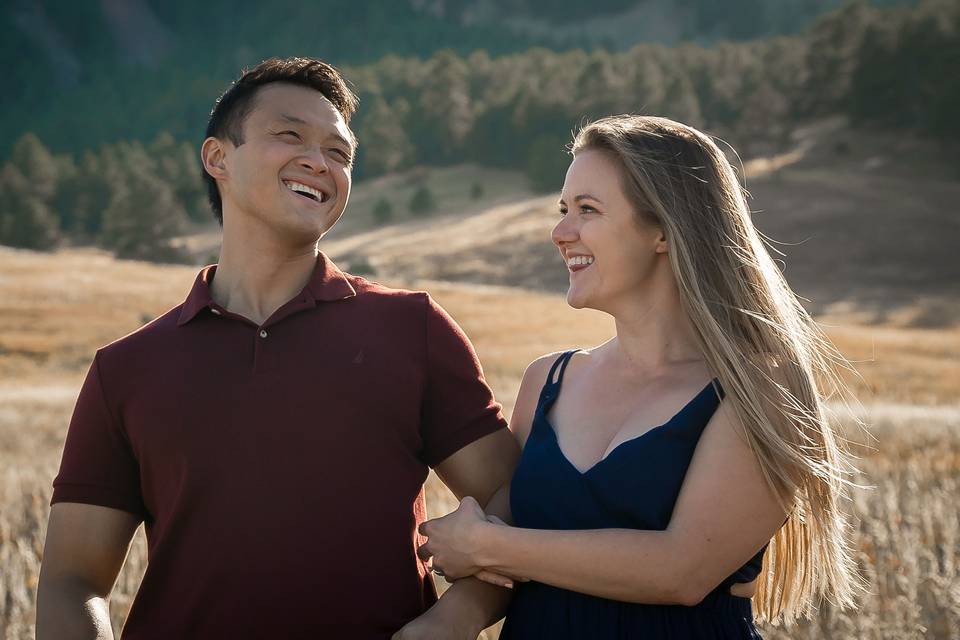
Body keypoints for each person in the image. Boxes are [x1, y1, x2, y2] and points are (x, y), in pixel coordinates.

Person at [36, 57, 519, 639]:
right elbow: (72, 581)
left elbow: (513, 501)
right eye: (289, 135)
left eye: (339, 153)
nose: (319, 161)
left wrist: (451, 621)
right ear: (218, 157)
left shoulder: (410, 329)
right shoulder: (127, 369)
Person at [417, 115, 862, 638]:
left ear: (663, 231)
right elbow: (504, 539)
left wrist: (489, 547)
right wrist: (445, 622)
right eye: (563, 210)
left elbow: (682, 571)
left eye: (587, 210)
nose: (560, 233)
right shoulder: (547, 382)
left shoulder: (759, 387)